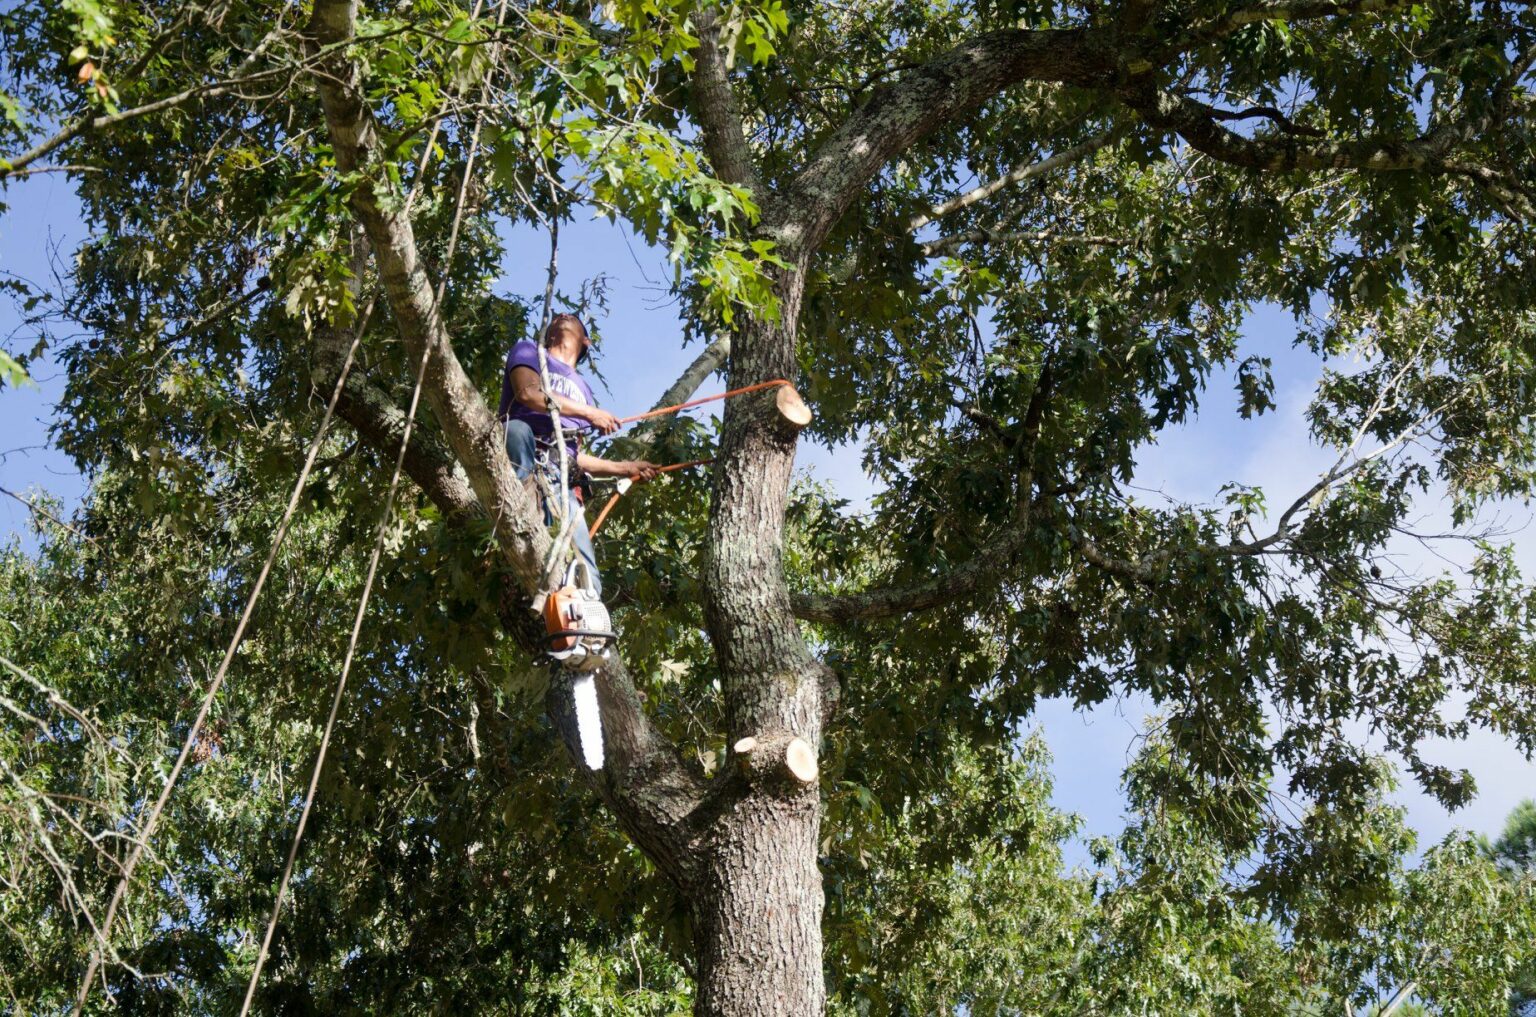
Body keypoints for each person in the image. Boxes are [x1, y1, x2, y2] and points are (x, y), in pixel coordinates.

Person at [498, 312, 658, 595]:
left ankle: (588, 623)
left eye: (571, 318)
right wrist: (589, 412)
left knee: (586, 564)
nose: (562, 315)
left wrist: (626, 468)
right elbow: (527, 393)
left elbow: (574, 456)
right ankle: (526, 509)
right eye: (558, 316)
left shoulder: (584, 388)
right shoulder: (529, 351)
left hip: (558, 473)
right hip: (520, 447)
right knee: (518, 430)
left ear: (586, 341)